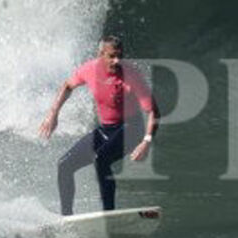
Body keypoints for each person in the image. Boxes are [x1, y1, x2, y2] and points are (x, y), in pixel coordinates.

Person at [39, 36, 159, 215]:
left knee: (101, 159)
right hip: (106, 130)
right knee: (64, 165)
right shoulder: (89, 69)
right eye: (112, 56)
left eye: (120, 56)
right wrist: (53, 113)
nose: (117, 60)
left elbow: (153, 112)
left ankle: (109, 214)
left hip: (131, 130)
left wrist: (146, 141)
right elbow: (67, 86)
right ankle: (66, 217)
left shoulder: (131, 75)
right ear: (101, 54)